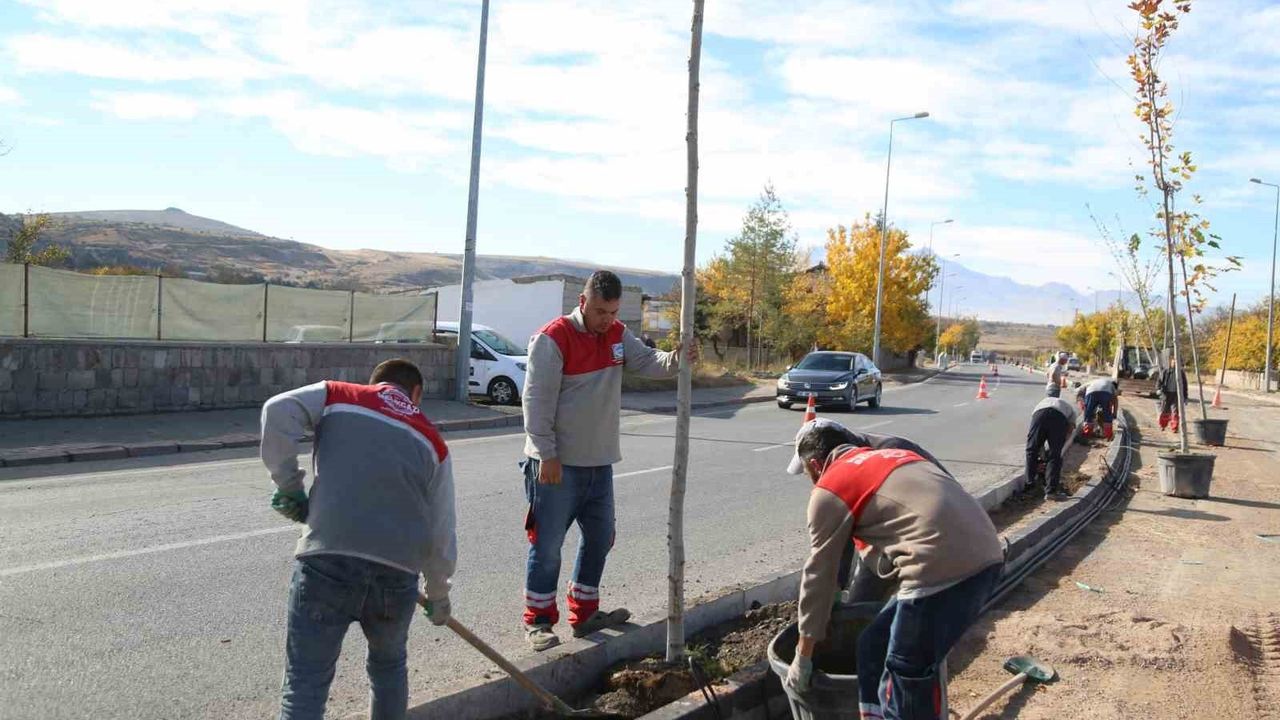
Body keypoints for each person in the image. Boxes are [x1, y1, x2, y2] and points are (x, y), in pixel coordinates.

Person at [260, 359, 457, 720]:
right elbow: (440, 530)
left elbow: (277, 410)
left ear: (375, 383)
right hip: (396, 575)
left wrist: (290, 486)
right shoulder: (434, 442)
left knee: (306, 682)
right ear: (416, 394)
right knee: (388, 669)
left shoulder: (339, 395)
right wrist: (438, 593)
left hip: (326, 560)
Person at [782, 419, 1004, 720]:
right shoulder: (897, 455)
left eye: (809, 474)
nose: (811, 481)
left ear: (816, 465)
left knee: (905, 673)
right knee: (873, 645)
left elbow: (818, 577)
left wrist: (804, 655)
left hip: (936, 571)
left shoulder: (830, 487)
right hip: (988, 555)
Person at [520, 270, 693, 651]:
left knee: (600, 538)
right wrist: (547, 454)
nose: (607, 320)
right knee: (547, 546)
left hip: (599, 463)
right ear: (583, 302)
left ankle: (584, 614)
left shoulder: (617, 334)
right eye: (600, 311)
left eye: (613, 312)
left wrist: (677, 358)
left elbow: (648, 361)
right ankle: (539, 621)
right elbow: (535, 402)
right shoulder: (553, 339)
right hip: (556, 465)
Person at [1025, 393, 1079, 500]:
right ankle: (1051, 491)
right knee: (1055, 454)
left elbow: (1036, 439)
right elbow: (1070, 430)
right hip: (1058, 417)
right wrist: (1059, 444)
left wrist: (1040, 456)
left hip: (1038, 415)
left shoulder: (1042, 403)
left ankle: (1029, 486)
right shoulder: (1071, 412)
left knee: (1031, 450)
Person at [1157, 356, 1189, 432]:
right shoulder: (1166, 371)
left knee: (1175, 412)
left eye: (1177, 362)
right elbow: (1159, 381)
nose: (1175, 363)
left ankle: (1174, 427)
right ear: (1171, 362)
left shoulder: (1181, 373)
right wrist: (1158, 389)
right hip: (1166, 394)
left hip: (1176, 395)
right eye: (1173, 362)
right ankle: (1162, 425)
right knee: (1164, 411)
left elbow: (1184, 385)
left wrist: (1185, 397)